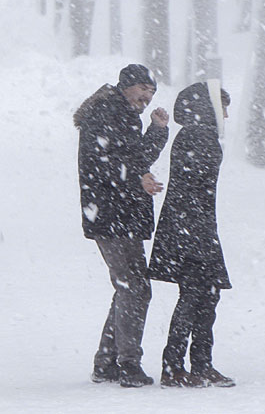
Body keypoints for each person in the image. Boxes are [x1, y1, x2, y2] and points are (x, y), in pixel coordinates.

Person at [73, 64, 170, 388]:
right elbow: (99, 163)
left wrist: (157, 130)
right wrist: (136, 177)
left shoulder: (124, 115)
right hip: (110, 215)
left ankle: (106, 362)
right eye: (143, 89)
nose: (147, 97)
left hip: (121, 215)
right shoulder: (105, 113)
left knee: (130, 287)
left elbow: (135, 159)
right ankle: (128, 364)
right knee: (134, 288)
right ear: (126, 86)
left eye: (152, 92)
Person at [148, 80, 236, 388]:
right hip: (191, 230)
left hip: (193, 227)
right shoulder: (199, 136)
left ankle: (198, 364)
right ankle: (177, 367)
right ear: (208, 107)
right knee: (196, 296)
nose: (226, 116)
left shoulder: (197, 134)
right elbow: (193, 189)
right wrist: (196, 233)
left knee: (205, 295)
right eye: (223, 108)